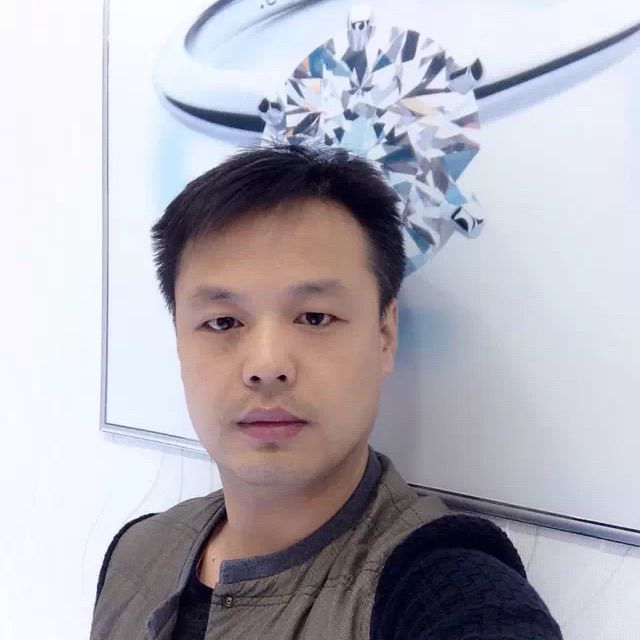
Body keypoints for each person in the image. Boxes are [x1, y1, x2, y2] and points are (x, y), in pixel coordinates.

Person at [91, 143, 563, 639]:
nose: (267, 366)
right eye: (223, 322)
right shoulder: (137, 553)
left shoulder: (436, 579)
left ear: (384, 335)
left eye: (315, 317)